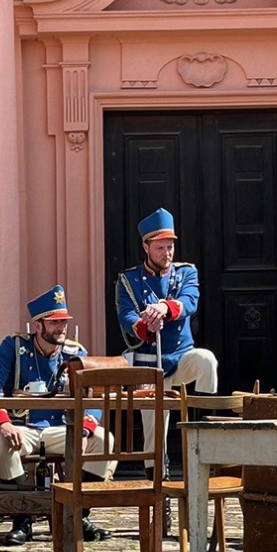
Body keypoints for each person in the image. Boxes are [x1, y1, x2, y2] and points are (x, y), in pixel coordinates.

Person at [0, 285, 112, 547]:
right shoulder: (14, 346)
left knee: (103, 439)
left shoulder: (76, 353)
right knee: (2, 443)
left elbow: (92, 393)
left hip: (63, 428)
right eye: (54, 322)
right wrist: (3, 422)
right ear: (38, 326)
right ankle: (22, 519)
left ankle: (78, 515)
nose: (61, 327)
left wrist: (84, 429)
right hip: (23, 427)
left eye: (64, 321)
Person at [115, 208, 218, 511]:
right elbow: (126, 316)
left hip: (180, 356)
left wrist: (166, 308)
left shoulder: (186, 271)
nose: (167, 252)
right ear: (146, 247)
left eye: (170, 245)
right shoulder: (128, 280)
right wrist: (146, 324)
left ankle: (204, 429)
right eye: (160, 247)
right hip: (147, 362)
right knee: (152, 430)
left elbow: (190, 301)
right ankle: (158, 489)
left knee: (207, 361)